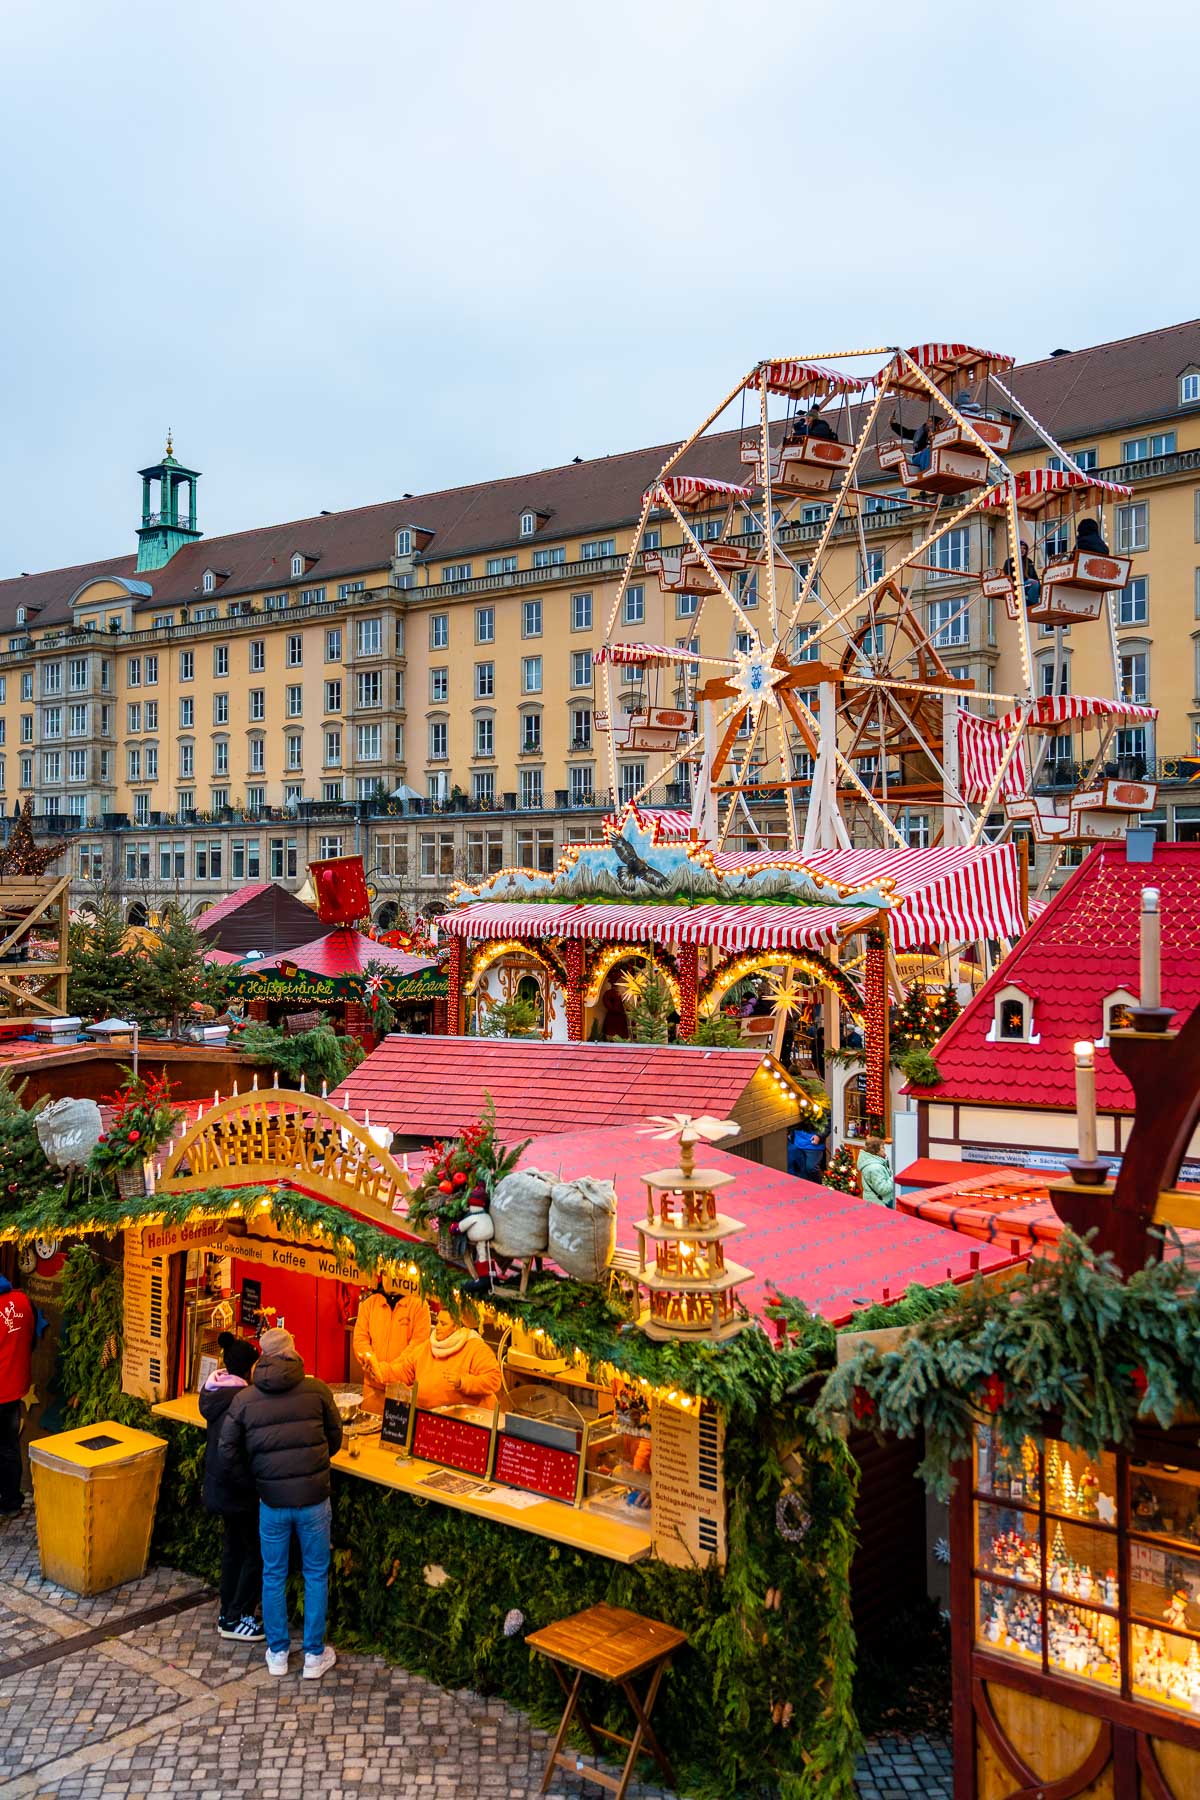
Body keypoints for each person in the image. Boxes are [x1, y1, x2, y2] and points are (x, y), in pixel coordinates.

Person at [220, 1326, 343, 1680]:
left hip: (271, 1502)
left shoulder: (245, 1400)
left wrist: (257, 1482)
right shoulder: (317, 1390)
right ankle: (314, 1658)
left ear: (262, 1357)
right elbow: (335, 1437)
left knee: (273, 1574)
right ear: (293, 1352)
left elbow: (227, 1451)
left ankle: (276, 1653)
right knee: (316, 1573)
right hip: (314, 1499)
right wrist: (316, 1466)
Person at [199, 1332, 263, 1642]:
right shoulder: (238, 1403)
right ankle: (238, 1616)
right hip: (237, 1492)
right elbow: (233, 1455)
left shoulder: (216, 1392)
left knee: (234, 1549)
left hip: (221, 1489)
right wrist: (253, 1486)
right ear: (247, 1370)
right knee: (255, 1553)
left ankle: (228, 1612)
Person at [352, 1278, 431, 1415]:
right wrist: (370, 1362)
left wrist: (384, 1371)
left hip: (403, 1390)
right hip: (372, 1389)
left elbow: (417, 1347)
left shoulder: (419, 1306)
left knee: (397, 1435)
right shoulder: (369, 1304)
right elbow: (360, 1340)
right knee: (368, 1434)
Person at [0, 1274, 37, 1516]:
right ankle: (12, 1501)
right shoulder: (23, 1301)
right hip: (14, 1387)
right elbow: (31, 1339)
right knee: (9, 1445)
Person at [857, 1137, 895, 1208]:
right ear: (876, 1151)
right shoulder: (875, 1168)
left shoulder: (870, 1163)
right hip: (879, 1204)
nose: (884, 1150)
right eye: (882, 1148)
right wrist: (894, 1177)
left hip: (873, 1201)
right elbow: (883, 1189)